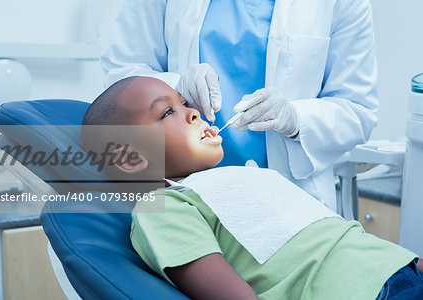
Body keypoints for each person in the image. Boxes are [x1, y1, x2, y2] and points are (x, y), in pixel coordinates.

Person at [81, 76, 422, 300]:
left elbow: (337, 239)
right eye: (168, 111)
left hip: (401, 268)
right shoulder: (166, 206)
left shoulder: (245, 179)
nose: (193, 113)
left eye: (185, 103)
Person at [100, 0, 379, 211]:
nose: (191, 115)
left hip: (294, 200)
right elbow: (122, 76)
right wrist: (176, 87)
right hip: (190, 197)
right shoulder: (172, 226)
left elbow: (357, 110)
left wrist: (296, 119)